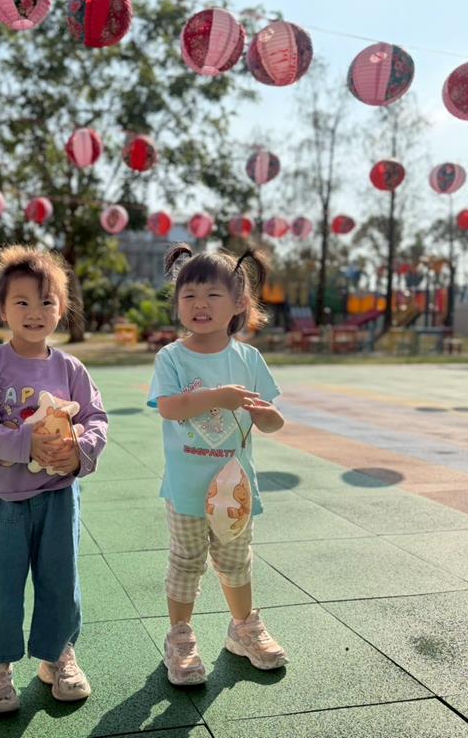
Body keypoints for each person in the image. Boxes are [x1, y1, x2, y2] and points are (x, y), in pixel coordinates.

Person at [0, 244, 108, 714]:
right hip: (5, 498)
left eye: (46, 301)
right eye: (21, 301)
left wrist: (79, 448)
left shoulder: (70, 368)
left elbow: (96, 418)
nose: (34, 312)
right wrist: (24, 444)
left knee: (60, 579)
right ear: (2, 309)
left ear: (61, 309)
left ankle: (57, 654)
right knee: (2, 584)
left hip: (59, 495)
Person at [147, 243, 288, 686]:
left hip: (234, 492)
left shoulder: (248, 359)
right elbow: (169, 407)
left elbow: (271, 419)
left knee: (236, 560)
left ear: (239, 303)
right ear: (177, 303)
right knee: (186, 560)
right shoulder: (172, 357)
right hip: (187, 489)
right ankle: (180, 638)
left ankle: (243, 628)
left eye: (212, 295)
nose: (199, 304)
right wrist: (217, 397)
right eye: (189, 295)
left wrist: (267, 417)